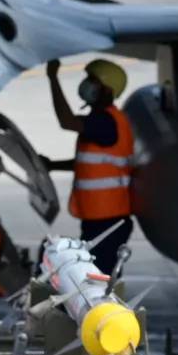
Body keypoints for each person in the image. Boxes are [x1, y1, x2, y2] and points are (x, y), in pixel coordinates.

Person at [46, 57, 136, 276]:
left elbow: (67, 121)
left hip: (108, 220)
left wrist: (53, 78)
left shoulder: (105, 122)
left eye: (92, 81)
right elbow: (91, 164)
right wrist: (52, 165)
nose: (86, 85)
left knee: (98, 280)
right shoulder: (102, 121)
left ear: (106, 89)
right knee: (94, 276)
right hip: (101, 218)